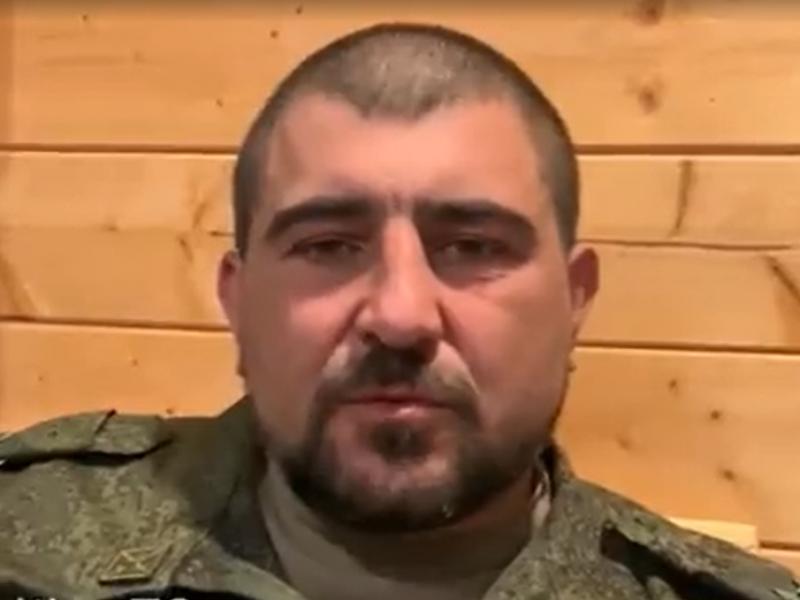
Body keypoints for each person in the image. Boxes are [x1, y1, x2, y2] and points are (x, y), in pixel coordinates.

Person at [0, 22, 797, 600]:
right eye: (328, 245)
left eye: (474, 246)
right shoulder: (23, 531)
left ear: (574, 301)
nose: (402, 315)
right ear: (238, 302)